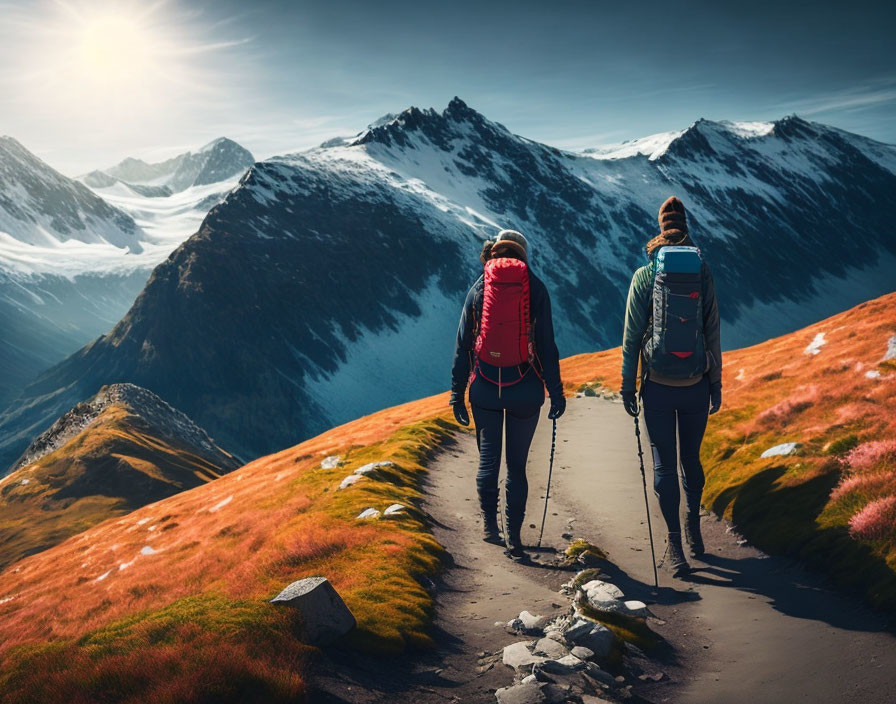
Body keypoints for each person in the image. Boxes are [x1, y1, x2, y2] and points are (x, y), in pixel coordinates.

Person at [620, 196, 722, 576]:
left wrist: (628, 387)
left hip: (658, 387)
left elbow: (631, 337)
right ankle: (696, 528)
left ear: (661, 229)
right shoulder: (702, 271)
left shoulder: (646, 275)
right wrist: (716, 384)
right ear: (686, 228)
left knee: (664, 464)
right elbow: (712, 330)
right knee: (690, 459)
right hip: (695, 382)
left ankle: (676, 547)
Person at [450, 229, 565, 560]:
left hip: (485, 387)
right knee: (516, 467)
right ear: (523, 253)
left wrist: (457, 393)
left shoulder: (479, 287)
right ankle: (515, 540)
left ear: (494, 252)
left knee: (488, 460)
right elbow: (545, 345)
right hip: (524, 390)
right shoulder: (535, 287)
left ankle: (490, 528)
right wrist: (555, 392)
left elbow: (463, 346)